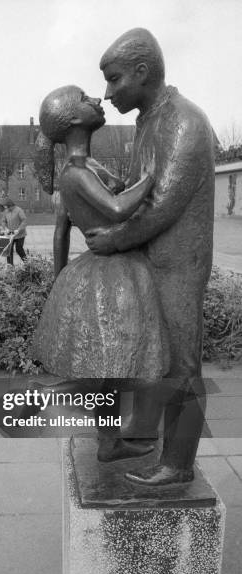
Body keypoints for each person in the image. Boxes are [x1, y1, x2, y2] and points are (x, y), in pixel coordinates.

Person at [84, 28, 215, 485]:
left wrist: (114, 239)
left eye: (114, 79)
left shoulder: (185, 122)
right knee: (143, 358)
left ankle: (177, 466)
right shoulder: (148, 122)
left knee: (181, 364)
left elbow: (163, 206)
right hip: (148, 261)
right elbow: (140, 189)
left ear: (142, 72)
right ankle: (141, 439)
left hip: (177, 266)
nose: (108, 92)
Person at [29, 85, 169, 452]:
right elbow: (119, 208)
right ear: (75, 119)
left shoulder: (85, 167)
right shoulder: (75, 173)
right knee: (118, 359)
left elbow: (61, 230)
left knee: (113, 360)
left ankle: (107, 441)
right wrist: (151, 178)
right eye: (85, 98)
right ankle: (68, 404)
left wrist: (61, 283)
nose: (97, 99)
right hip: (112, 272)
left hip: (100, 272)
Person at [2, 199, 27, 265]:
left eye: (8, 207)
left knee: (19, 249)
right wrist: (5, 228)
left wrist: (18, 229)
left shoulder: (19, 210)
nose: (7, 209)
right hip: (10, 235)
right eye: (6, 208)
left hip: (20, 235)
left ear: (11, 206)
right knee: (9, 250)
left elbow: (24, 221)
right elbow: (3, 221)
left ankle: (27, 263)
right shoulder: (6, 211)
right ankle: (10, 266)